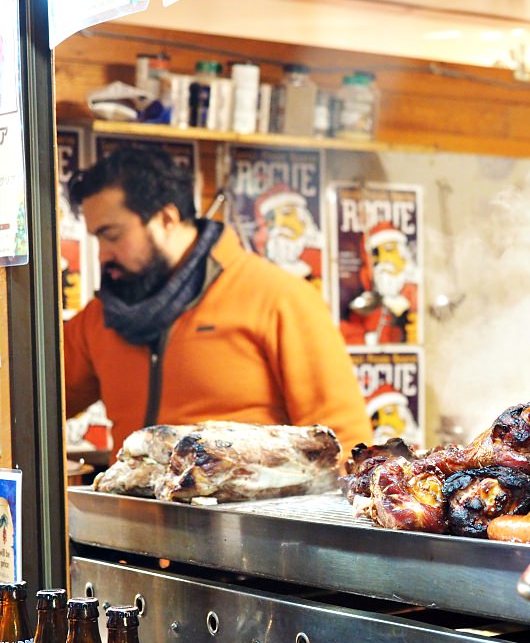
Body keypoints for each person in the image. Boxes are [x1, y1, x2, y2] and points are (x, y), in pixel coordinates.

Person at [64, 145, 373, 462]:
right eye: (96, 239)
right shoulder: (101, 318)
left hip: (249, 509)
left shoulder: (279, 298)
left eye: (112, 235)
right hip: (131, 508)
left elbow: (344, 441)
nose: (102, 255)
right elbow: (30, 398)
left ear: (167, 219)